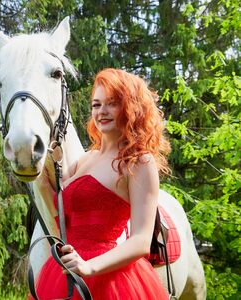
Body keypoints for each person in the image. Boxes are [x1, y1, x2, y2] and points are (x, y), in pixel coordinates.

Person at [34, 68, 170, 299]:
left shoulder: (138, 162)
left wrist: (90, 267)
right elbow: (59, 213)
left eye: (112, 103)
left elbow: (140, 241)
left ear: (131, 107)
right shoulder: (83, 161)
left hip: (110, 279)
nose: (102, 112)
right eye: (96, 105)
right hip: (62, 271)